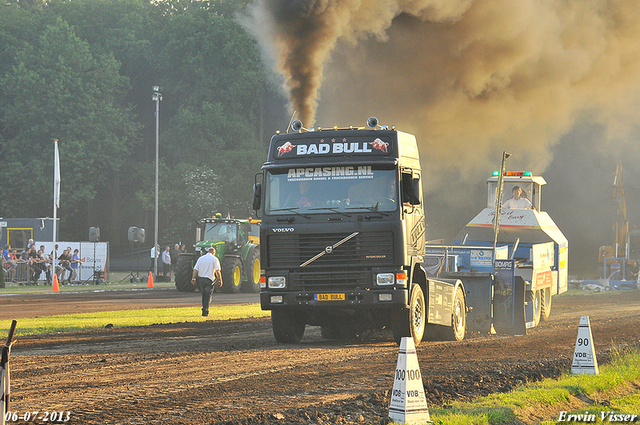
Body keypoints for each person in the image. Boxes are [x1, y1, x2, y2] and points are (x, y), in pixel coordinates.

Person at [191, 246, 223, 317]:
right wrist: (220, 280)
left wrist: (193, 278)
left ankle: (204, 308)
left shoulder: (201, 258)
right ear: (213, 252)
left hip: (201, 279)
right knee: (208, 295)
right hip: (209, 279)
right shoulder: (214, 259)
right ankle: (205, 310)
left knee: (203, 294)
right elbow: (218, 271)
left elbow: (195, 269)